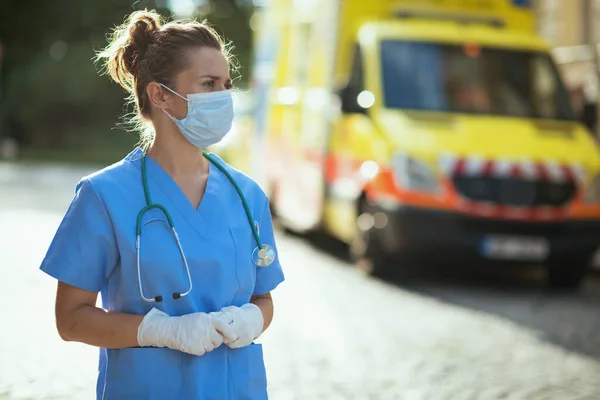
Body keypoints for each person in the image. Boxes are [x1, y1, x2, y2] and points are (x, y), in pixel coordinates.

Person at [39, 9, 284, 400]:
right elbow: (70, 320)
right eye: (208, 84)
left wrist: (254, 319)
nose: (223, 96)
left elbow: (263, 298)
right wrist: (158, 330)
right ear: (159, 95)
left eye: (226, 83)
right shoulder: (104, 195)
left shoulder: (247, 194)